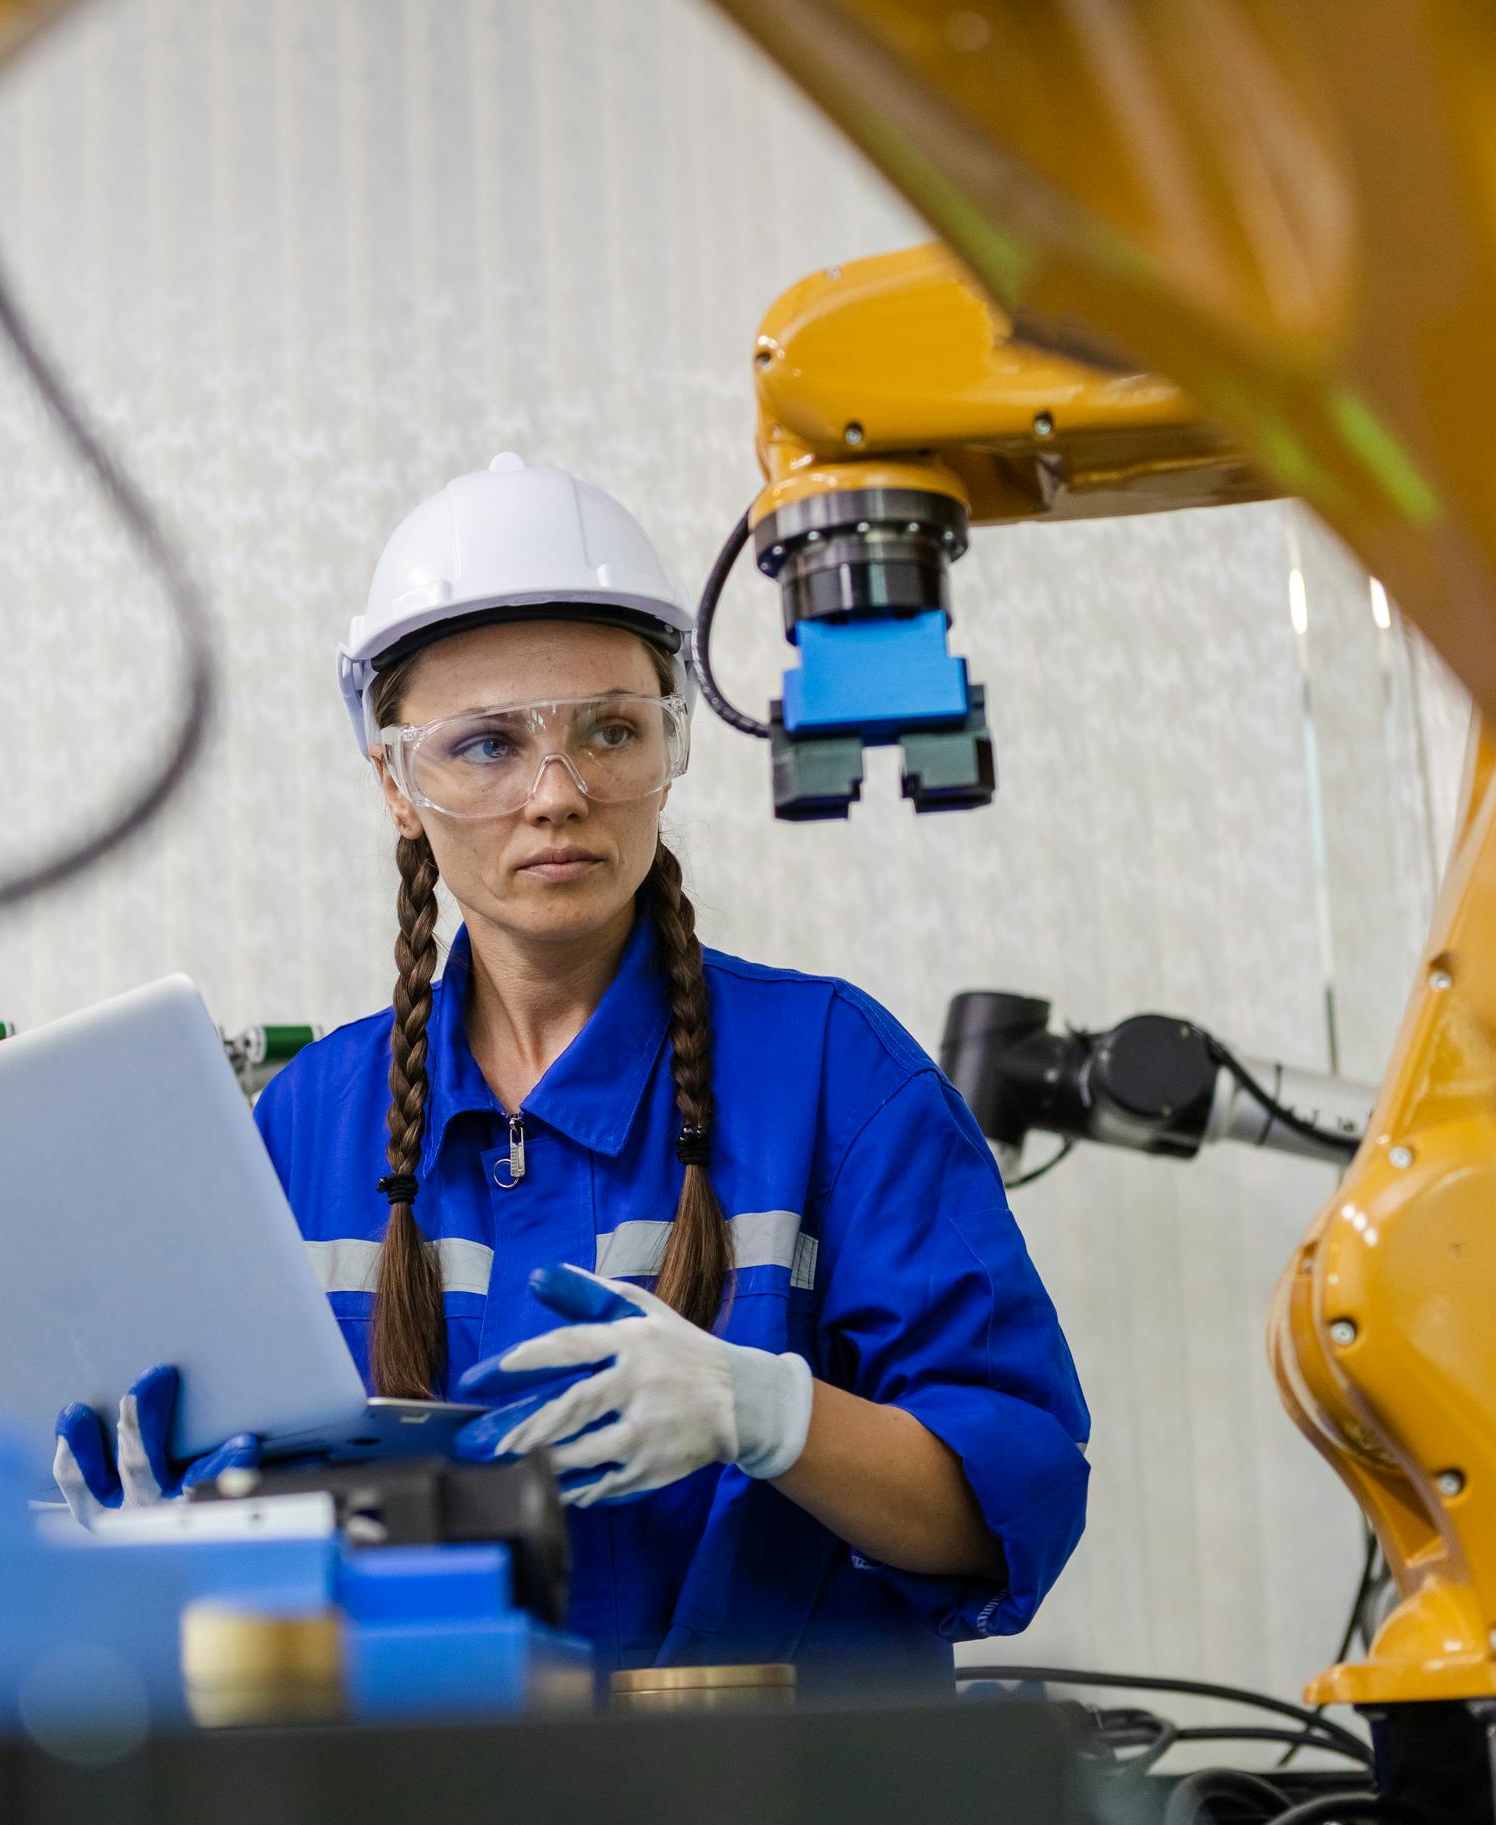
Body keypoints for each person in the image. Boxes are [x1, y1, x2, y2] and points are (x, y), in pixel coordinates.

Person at [56, 454, 1088, 1679]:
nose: (556, 794)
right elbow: (265, 1573)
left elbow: (1011, 1500)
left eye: (609, 730)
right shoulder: (307, 1127)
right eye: (485, 745)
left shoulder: (833, 1079)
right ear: (395, 781)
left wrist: (769, 1416)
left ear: (669, 747)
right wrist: (156, 1547)